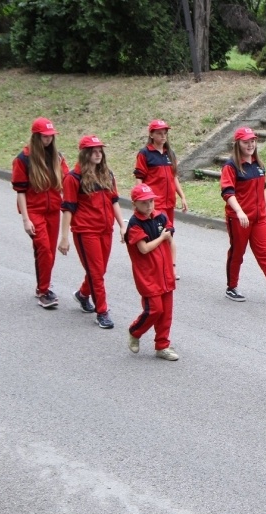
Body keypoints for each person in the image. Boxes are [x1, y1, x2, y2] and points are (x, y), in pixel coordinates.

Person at [58, 135, 127, 329]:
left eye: (100, 150)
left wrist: (122, 225)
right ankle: (102, 312)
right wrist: (64, 238)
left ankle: (82, 294)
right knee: (97, 273)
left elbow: (114, 201)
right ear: (85, 153)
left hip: (106, 230)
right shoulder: (73, 178)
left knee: (99, 270)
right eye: (94, 151)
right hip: (85, 231)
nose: (98, 154)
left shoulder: (107, 174)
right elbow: (68, 208)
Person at [220, 126, 266, 304]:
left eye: (253, 141)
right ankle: (232, 287)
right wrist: (239, 211)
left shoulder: (258, 164)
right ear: (238, 144)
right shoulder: (231, 167)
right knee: (237, 252)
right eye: (246, 142)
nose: (250, 144)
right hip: (240, 219)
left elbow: (263, 188)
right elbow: (227, 193)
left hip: (259, 217)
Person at [11, 117, 69, 308]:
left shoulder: (57, 157)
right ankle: (44, 291)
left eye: (51, 136)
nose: (49, 140)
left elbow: (68, 181)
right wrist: (26, 220)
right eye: (45, 136)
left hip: (53, 210)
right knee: (43, 248)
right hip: (34, 210)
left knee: (49, 252)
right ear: (36, 137)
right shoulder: (23, 159)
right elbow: (20, 191)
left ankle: (41, 287)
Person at [125, 184, 179, 361]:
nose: (149, 206)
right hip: (148, 276)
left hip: (165, 273)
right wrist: (162, 237)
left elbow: (171, 241)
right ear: (135, 205)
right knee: (154, 310)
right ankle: (135, 331)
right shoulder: (134, 224)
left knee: (166, 313)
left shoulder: (161, 217)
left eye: (151, 201)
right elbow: (144, 249)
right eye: (144, 203)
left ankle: (162, 346)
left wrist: (173, 264)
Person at [133, 119, 187, 279]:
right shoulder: (144, 154)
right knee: (159, 234)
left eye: (165, 133)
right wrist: (139, 200)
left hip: (169, 202)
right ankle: (163, 266)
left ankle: (169, 266)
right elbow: (139, 178)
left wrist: (182, 196)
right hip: (153, 203)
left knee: (169, 233)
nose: (163, 136)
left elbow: (174, 177)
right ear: (151, 134)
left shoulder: (170, 154)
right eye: (159, 133)